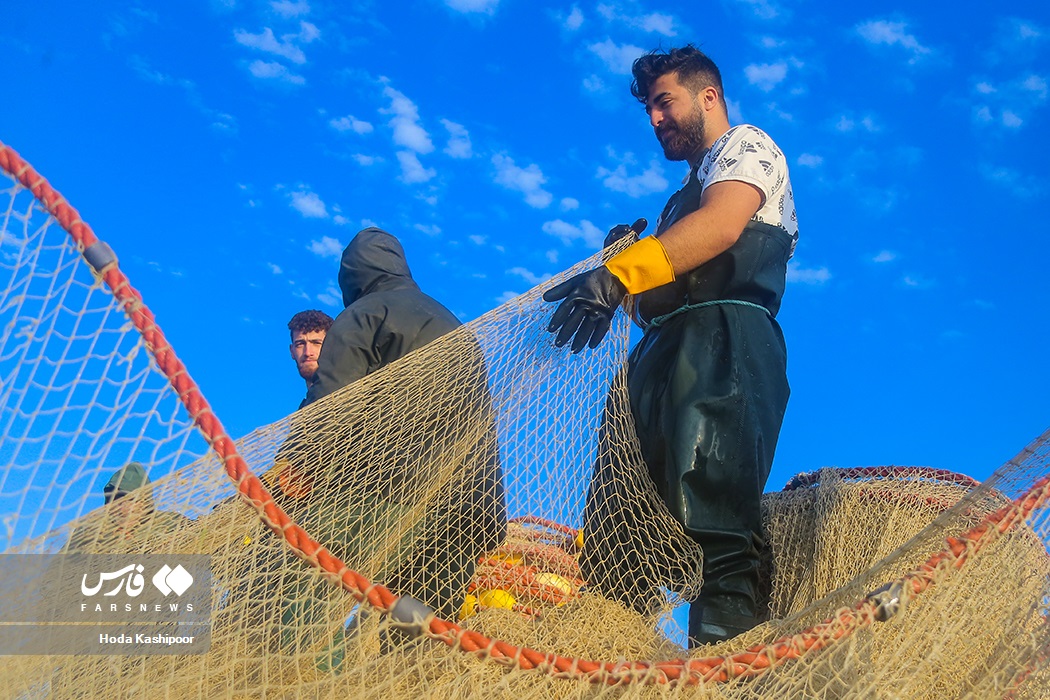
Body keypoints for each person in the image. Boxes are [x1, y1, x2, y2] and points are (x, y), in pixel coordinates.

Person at [544, 45, 797, 646]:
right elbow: (654, 303)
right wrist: (613, 276)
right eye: (649, 109)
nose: (655, 119)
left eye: (665, 102)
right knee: (617, 531)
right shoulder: (677, 199)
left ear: (708, 96)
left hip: (725, 347)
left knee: (713, 517)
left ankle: (728, 674)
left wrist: (622, 275)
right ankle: (610, 663)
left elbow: (722, 227)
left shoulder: (748, 148)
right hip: (660, 358)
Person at [275, 227, 507, 663]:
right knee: (415, 640)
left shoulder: (364, 313)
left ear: (351, 276)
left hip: (387, 498)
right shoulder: (457, 327)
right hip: (465, 514)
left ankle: (291, 679)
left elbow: (331, 399)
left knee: (289, 590)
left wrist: (293, 461)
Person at [67, 462, 189, 550]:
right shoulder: (89, 531)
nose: (122, 509)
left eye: (131, 500)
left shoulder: (170, 523)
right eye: (115, 500)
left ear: (145, 503)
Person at [288, 309, 333, 407]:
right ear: (292, 351)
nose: (307, 352)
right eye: (300, 344)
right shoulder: (303, 414)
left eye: (316, 343)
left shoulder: (351, 395)